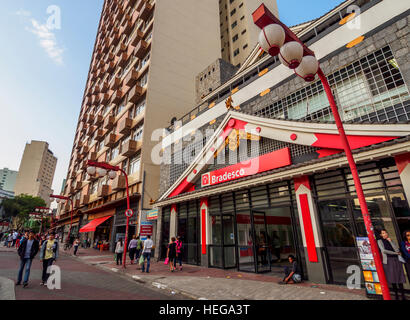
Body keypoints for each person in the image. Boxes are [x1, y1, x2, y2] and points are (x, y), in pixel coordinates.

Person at [377, 229, 406, 300]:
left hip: (396, 261)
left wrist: (390, 241)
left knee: (400, 278)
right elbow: (384, 251)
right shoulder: (380, 241)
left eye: (386, 232)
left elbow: (397, 250)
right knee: (392, 279)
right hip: (388, 261)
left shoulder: (391, 240)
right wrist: (395, 253)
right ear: (381, 235)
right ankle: (396, 296)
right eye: (383, 233)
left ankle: (403, 296)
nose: (385, 234)